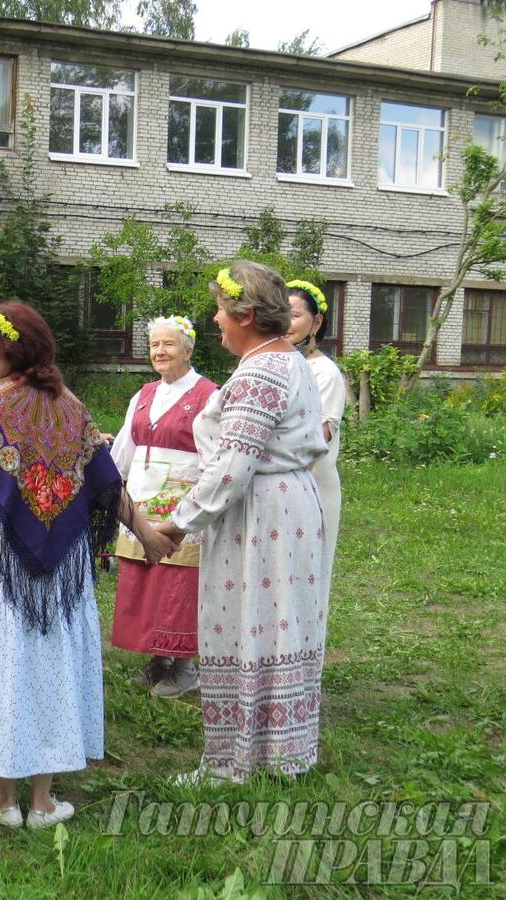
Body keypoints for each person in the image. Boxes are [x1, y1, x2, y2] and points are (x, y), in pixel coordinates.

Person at [0, 302, 173, 829]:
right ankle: (42, 802)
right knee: (48, 660)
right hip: (59, 567)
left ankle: (5, 800)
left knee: (2, 659)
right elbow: (107, 487)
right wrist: (149, 534)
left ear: (15, 347)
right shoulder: (71, 407)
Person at [154, 261, 329, 785]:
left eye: (221, 311)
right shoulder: (289, 360)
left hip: (260, 513)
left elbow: (232, 468)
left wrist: (177, 524)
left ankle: (236, 761)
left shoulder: (258, 372)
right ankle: (281, 751)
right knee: (281, 621)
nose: (214, 320)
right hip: (288, 503)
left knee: (247, 622)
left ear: (246, 315)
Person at [109, 316, 217, 699]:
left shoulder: (209, 395)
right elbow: (125, 446)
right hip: (141, 499)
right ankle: (157, 660)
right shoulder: (143, 394)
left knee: (178, 583)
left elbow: (215, 456)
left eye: (169, 344)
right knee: (147, 580)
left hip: (181, 503)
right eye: (155, 345)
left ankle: (185, 668)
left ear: (189, 349)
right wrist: (111, 482)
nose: (160, 352)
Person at [285, 280, 345, 575]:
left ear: (316, 322)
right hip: (279, 488)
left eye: (294, 315)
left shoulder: (325, 373)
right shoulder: (281, 365)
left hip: (312, 489)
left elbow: (316, 441)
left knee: (306, 572)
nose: (286, 323)